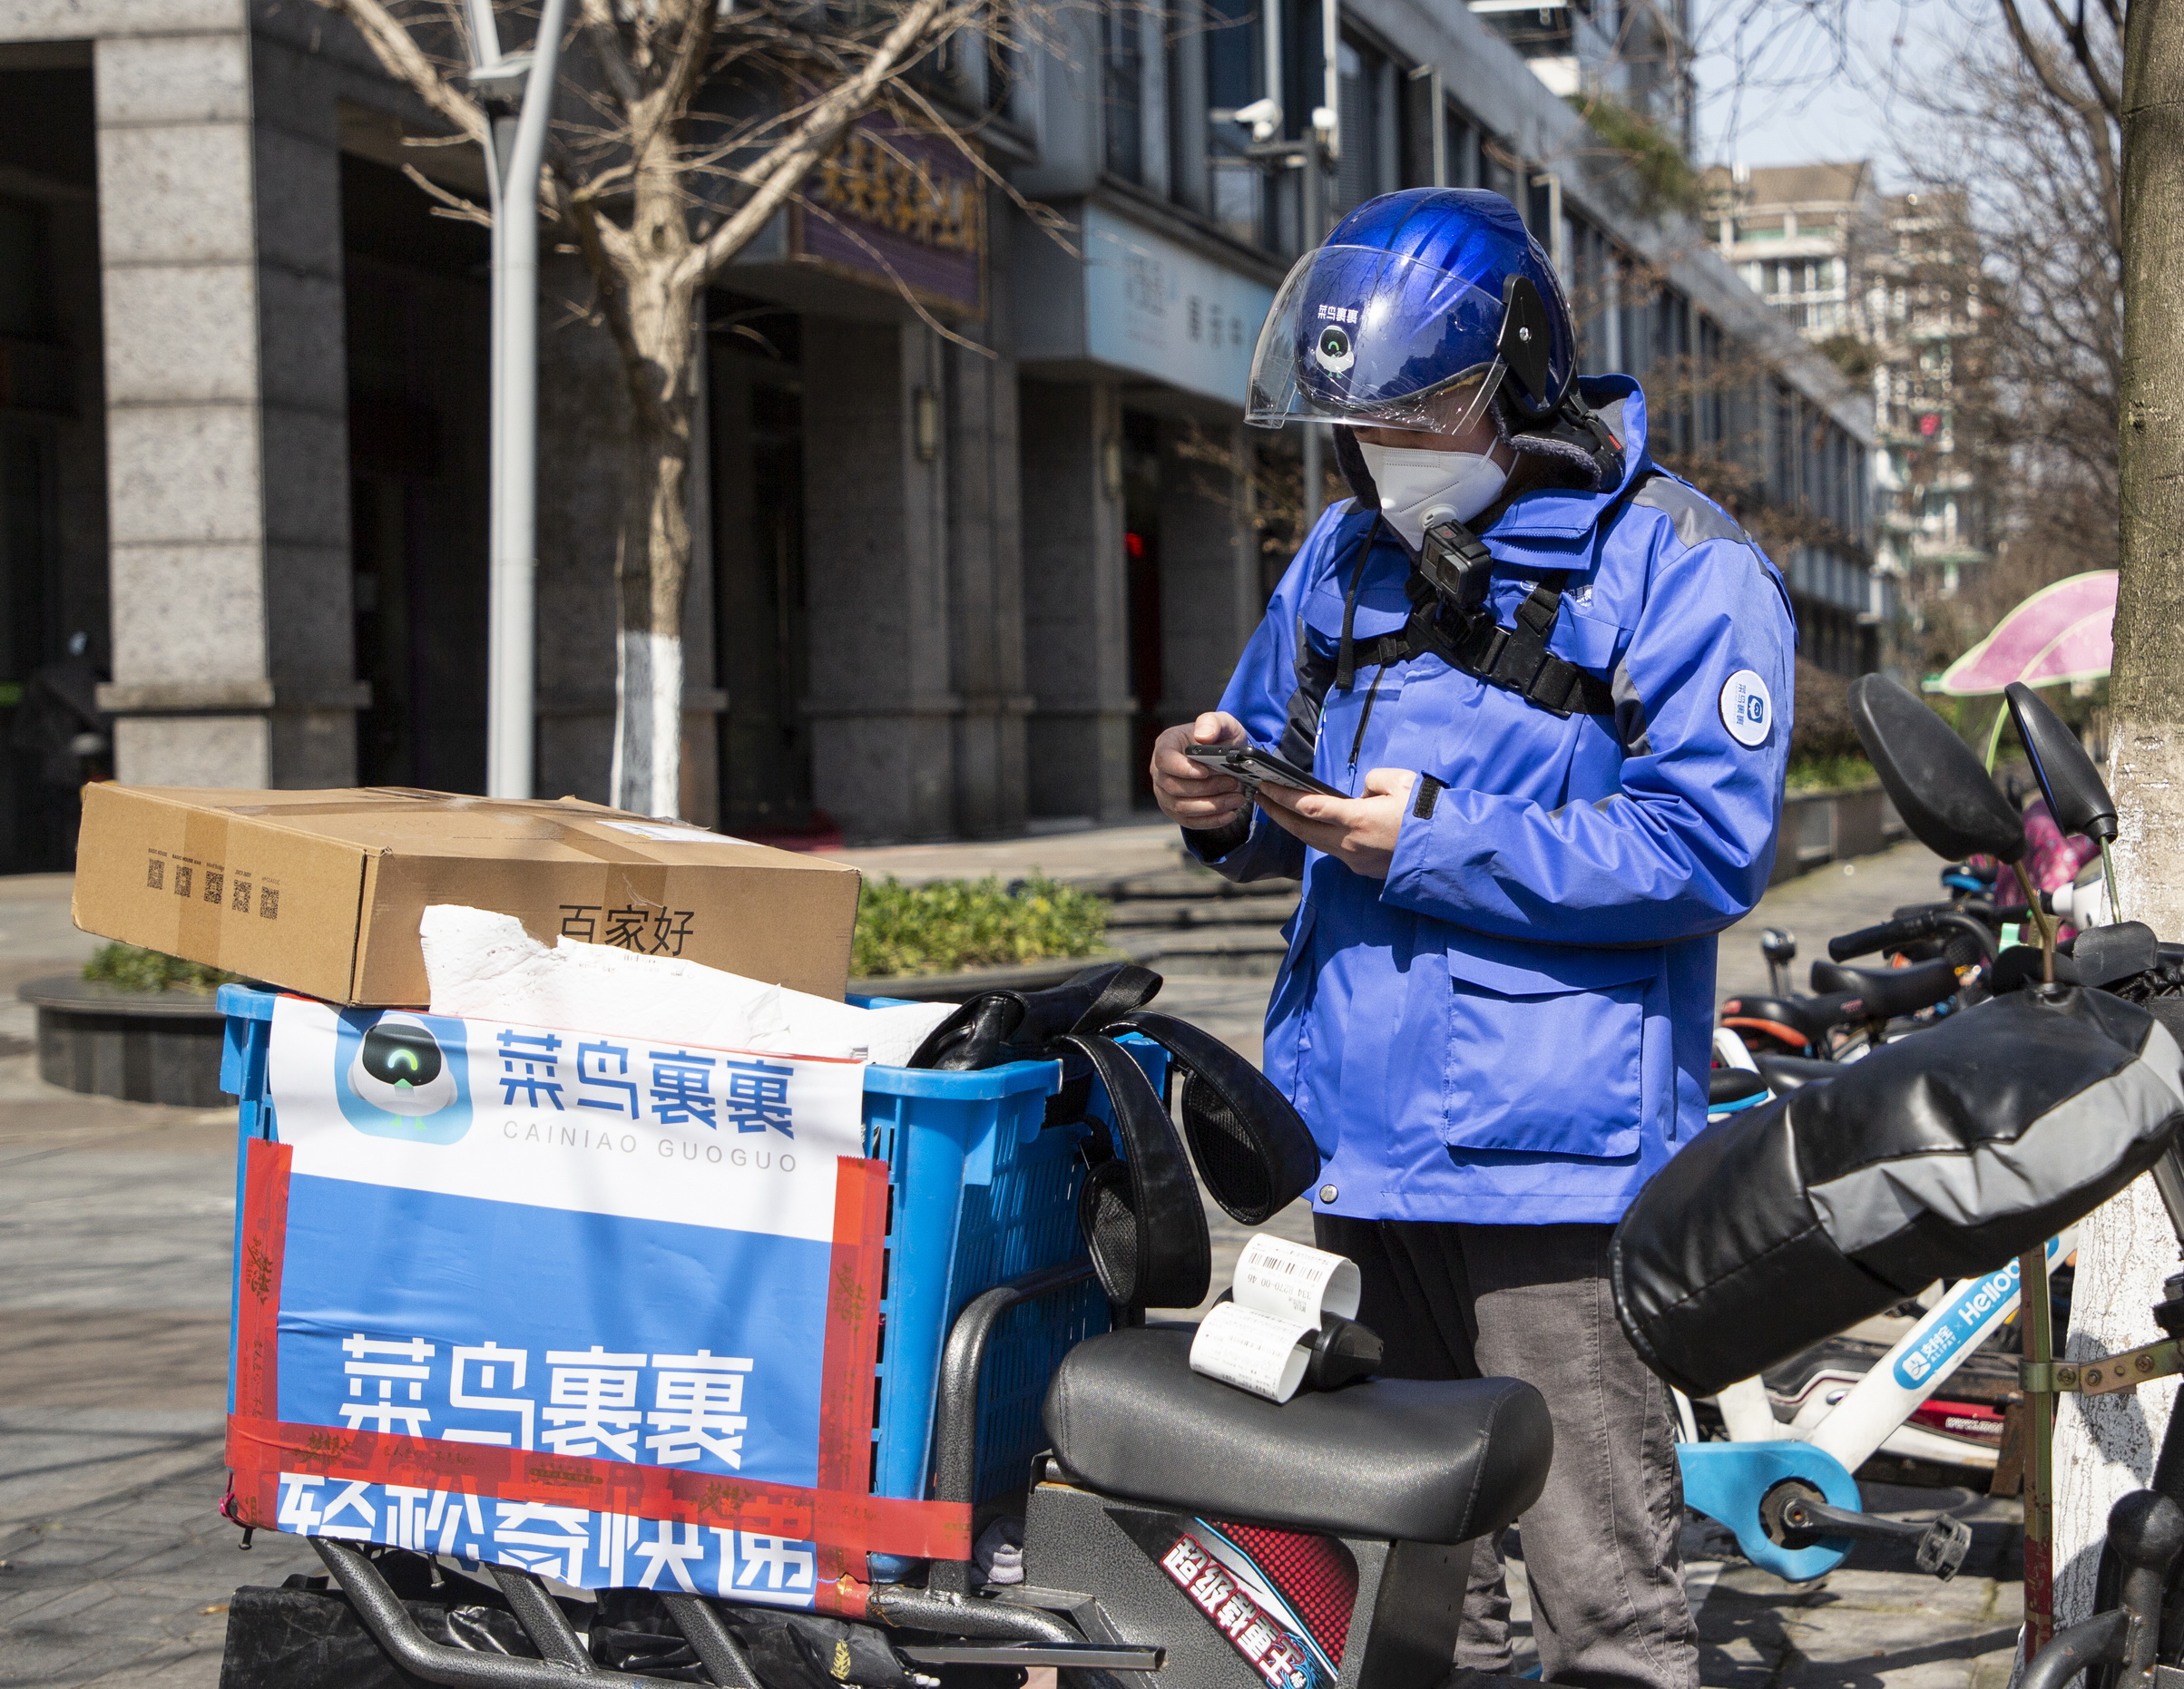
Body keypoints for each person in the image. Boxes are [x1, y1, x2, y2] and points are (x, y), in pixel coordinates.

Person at [1151, 189, 1796, 1689]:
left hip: (1552, 1175)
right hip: (1358, 1156)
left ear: (1519, 373)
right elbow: (1275, 766)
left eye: (1427, 403)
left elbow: (1705, 846)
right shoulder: (1343, 555)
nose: (1393, 441)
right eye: (1366, 415)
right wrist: (1213, 793)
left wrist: (1430, 838)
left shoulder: (1681, 565)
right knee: (1411, 1608)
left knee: (1603, 1607)